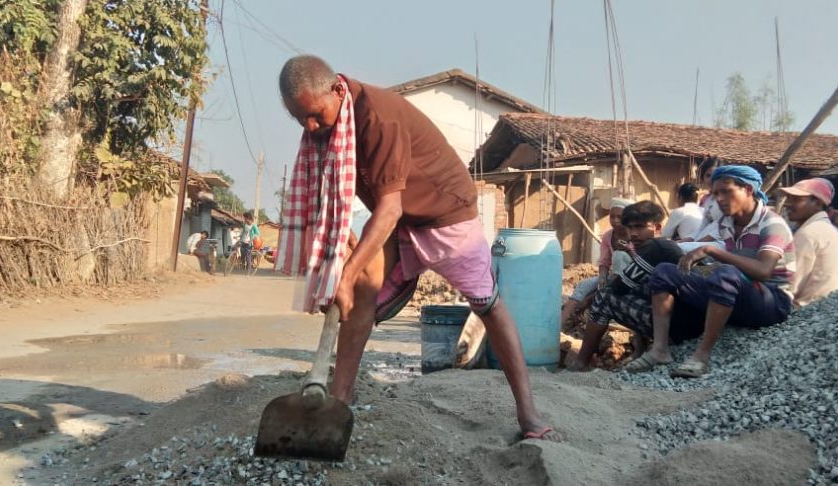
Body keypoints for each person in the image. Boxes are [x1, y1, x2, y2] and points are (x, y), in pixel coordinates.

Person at [275, 55, 559, 441]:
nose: (310, 127)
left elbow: (389, 208)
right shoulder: (329, 129)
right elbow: (348, 201)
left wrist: (346, 271)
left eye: (315, 115)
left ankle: (528, 414)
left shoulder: (376, 116)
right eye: (300, 119)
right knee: (359, 295)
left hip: (446, 216)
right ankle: (338, 401)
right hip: (401, 220)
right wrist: (345, 255)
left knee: (488, 304)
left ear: (338, 90)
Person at [642, 165, 796, 378]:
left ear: (748, 190)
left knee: (725, 275)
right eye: (715, 194)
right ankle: (659, 349)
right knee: (665, 271)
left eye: (726, 191)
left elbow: (763, 271)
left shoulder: (771, 224)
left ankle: (701, 355)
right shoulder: (726, 223)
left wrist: (710, 250)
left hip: (772, 302)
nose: (719, 199)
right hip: (741, 292)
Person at [569, 201, 683, 371]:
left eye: (640, 227)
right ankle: (639, 350)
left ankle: (581, 362)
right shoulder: (660, 247)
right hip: (676, 318)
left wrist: (590, 300)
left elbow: (619, 288)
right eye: (630, 228)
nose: (633, 234)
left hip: (677, 324)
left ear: (657, 228)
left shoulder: (655, 248)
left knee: (605, 297)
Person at [780, 178, 838, 308]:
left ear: (818, 203)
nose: (788, 204)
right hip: (836, 308)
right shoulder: (826, 228)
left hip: (810, 312)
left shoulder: (809, 233)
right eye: (789, 198)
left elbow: (789, 286)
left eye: (796, 199)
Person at [560, 198, 633, 327]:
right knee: (584, 285)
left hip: (632, 277)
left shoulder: (635, 236)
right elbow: (604, 261)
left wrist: (591, 297)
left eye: (620, 217)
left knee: (619, 255)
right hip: (614, 275)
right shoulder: (608, 236)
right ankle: (560, 322)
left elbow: (641, 260)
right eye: (612, 216)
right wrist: (602, 278)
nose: (615, 221)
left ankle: (590, 308)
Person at [690, 156, 724, 241]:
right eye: (708, 175)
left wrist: (697, 243)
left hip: (721, 243)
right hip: (704, 241)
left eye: (716, 176)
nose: (711, 179)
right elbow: (702, 227)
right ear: (703, 177)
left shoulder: (727, 200)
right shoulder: (709, 200)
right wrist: (681, 242)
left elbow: (723, 229)